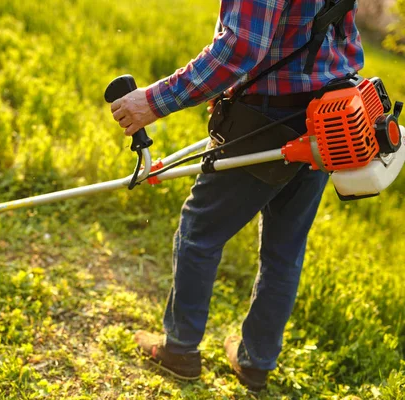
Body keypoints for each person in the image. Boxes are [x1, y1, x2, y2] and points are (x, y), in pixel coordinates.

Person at [110, 0, 363, 391]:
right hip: (330, 112)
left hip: (268, 117)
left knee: (199, 233)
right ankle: (256, 362)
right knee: (285, 250)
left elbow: (240, 50)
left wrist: (152, 101)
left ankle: (179, 348)